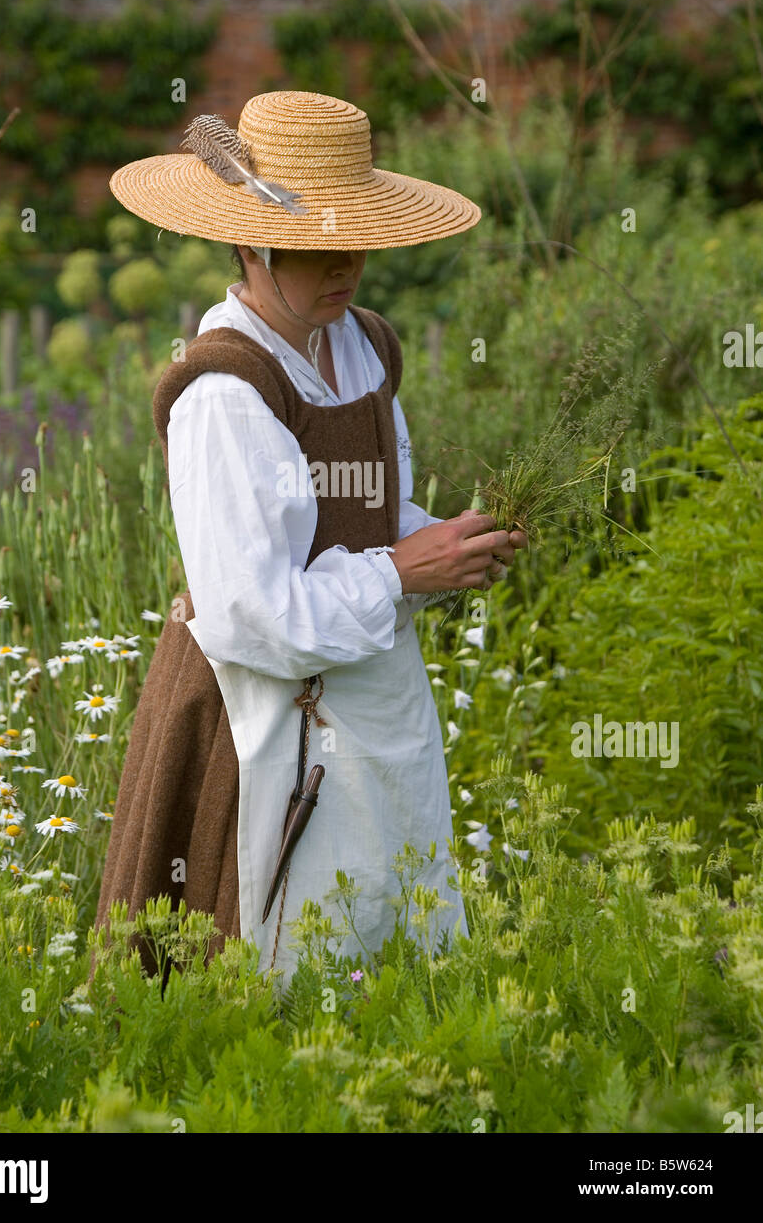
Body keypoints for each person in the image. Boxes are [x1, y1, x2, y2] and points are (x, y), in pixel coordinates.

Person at [93, 90, 527, 987]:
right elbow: (256, 614)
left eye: (357, 241)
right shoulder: (225, 392)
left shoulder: (361, 344)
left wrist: (443, 541)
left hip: (372, 691)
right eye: (318, 248)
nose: (348, 267)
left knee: (392, 945)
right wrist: (403, 571)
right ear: (251, 244)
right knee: (278, 965)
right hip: (260, 712)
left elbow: (368, 513)